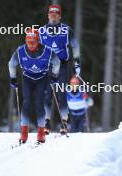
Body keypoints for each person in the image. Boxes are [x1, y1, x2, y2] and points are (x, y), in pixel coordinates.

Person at [8, 29, 59, 143]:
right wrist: (13, 78)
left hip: (42, 78)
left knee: (39, 103)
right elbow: (11, 64)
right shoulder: (20, 51)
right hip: (27, 78)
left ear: (38, 41)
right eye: (28, 42)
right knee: (26, 102)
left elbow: (56, 62)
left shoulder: (47, 51)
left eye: (33, 42)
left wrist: (55, 76)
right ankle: (24, 132)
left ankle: (41, 133)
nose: (30, 45)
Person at [39, 4, 81, 135]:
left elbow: (75, 46)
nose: (53, 17)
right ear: (48, 16)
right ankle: (46, 123)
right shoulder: (41, 31)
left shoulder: (66, 30)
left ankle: (64, 122)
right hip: (47, 67)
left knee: (61, 95)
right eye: (51, 15)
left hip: (62, 66)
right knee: (46, 96)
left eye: (56, 15)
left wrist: (77, 63)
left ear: (60, 16)